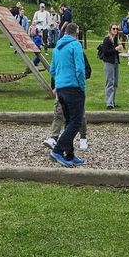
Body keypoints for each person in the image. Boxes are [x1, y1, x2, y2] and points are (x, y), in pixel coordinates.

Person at [47, 23, 87, 167]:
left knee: (69, 121)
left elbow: (52, 70)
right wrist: (82, 86)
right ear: (76, 32)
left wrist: (59, 81)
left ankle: (69, 155)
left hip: (61, 89)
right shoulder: (75, 45)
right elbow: (80, 69)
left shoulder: (57, 47)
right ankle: (57, 150)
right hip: (73, 88)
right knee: (76, 122)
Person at [44, 46, 91, 153]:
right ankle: (54, 137)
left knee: (79, 115)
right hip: (61, 87)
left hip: (75, 87)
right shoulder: (59, 52)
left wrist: (79, 80)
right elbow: (55, 69)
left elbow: (87, 70)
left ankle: (83, 137)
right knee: (58, 111)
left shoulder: (79, 52)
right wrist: (53, 86)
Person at [100, 23, 122, 109]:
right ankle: (109, 103)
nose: (115, 30)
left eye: (117, 29)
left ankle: (112, 101)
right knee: (110, 82)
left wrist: (118, 51)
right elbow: (105, 51)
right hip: (109, 62)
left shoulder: (115, 39)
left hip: (115, 62)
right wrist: (115, 49)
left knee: (115, 82)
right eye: (114, 29)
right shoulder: (107, 39)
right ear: (110, 30)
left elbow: (114, 51)